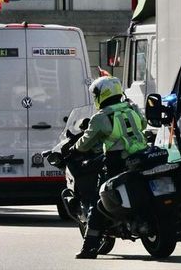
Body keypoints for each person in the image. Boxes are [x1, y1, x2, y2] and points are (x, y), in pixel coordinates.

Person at [73, 76, 148, 259]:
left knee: (100, 203)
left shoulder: (101, 117)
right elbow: (144, 124)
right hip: (142, 156)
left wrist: (75, 147)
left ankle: (89, 248)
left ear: (102, 94)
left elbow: (85, 143)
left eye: (96, 94)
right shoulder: (131, 109)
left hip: (117, 162)